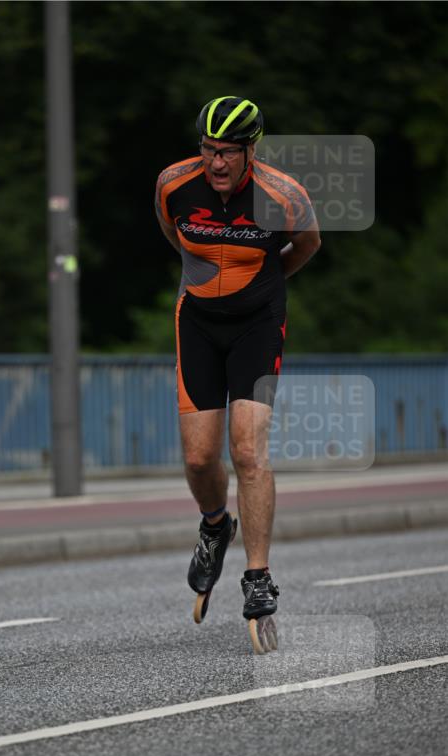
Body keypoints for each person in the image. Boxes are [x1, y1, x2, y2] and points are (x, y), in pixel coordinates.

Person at [154, 96, 321, 649]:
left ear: (251, 149)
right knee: (200, 456)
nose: (216, 163)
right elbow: (172, 233)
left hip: (258, 322)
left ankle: (257, 576)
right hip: (198, 319)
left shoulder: (283, 195)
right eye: (207, 150)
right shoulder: (174, 184)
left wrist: (265, 284)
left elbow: (308, 244)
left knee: (248, 450)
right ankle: (213, 525)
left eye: (227, 152)